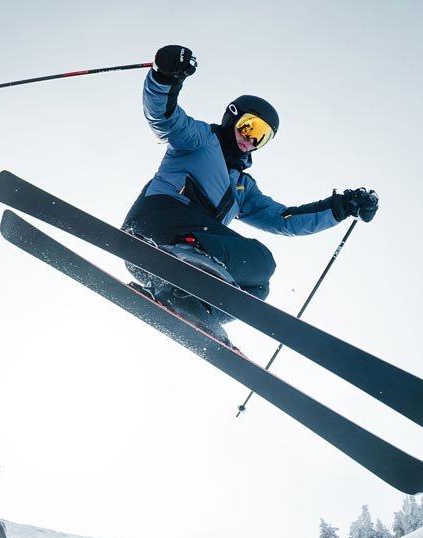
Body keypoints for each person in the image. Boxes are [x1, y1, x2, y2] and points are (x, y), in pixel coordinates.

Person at [123, 45, 379, 346]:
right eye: (249, 126)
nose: (251, 139)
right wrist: (165, 76)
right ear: (232, 117)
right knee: (261, 258)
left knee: (257, 285)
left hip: (156, 265)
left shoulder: (243, 189)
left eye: (262, 136)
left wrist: (342, 207)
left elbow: (284, 220)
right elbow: (164, 118)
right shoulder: (201, 139)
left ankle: (189, 306)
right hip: (156, 224)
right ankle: (185, 261)